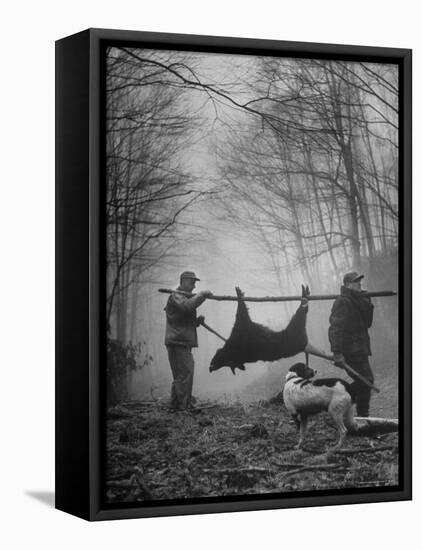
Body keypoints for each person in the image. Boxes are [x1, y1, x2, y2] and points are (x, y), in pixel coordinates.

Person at [328, 271, 375, 417]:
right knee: (366, 381)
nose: (359, 283)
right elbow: (335, 328)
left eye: (359, 281)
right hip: (349, 350)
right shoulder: (343, 301)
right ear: (348, 285)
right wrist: (337, 353)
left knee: (366, 382)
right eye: (356, 282)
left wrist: (367, 301)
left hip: (360, 349)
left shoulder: (357, 299)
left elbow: (367, 323)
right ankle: (361, 416)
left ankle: (339, 402)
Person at [164, 271, 212, 411]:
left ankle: (175, 406)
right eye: (192, 282)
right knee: (186, 372)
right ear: (183, 281)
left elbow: (181, 320)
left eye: (195, 282)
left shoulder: (182, 297)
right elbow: (186, 307)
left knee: (180, 374)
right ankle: (184, 407)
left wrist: (196, 322)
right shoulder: (176, 296)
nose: (194, 285)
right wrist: (202, 295)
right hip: (177, 342)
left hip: (180, 341)